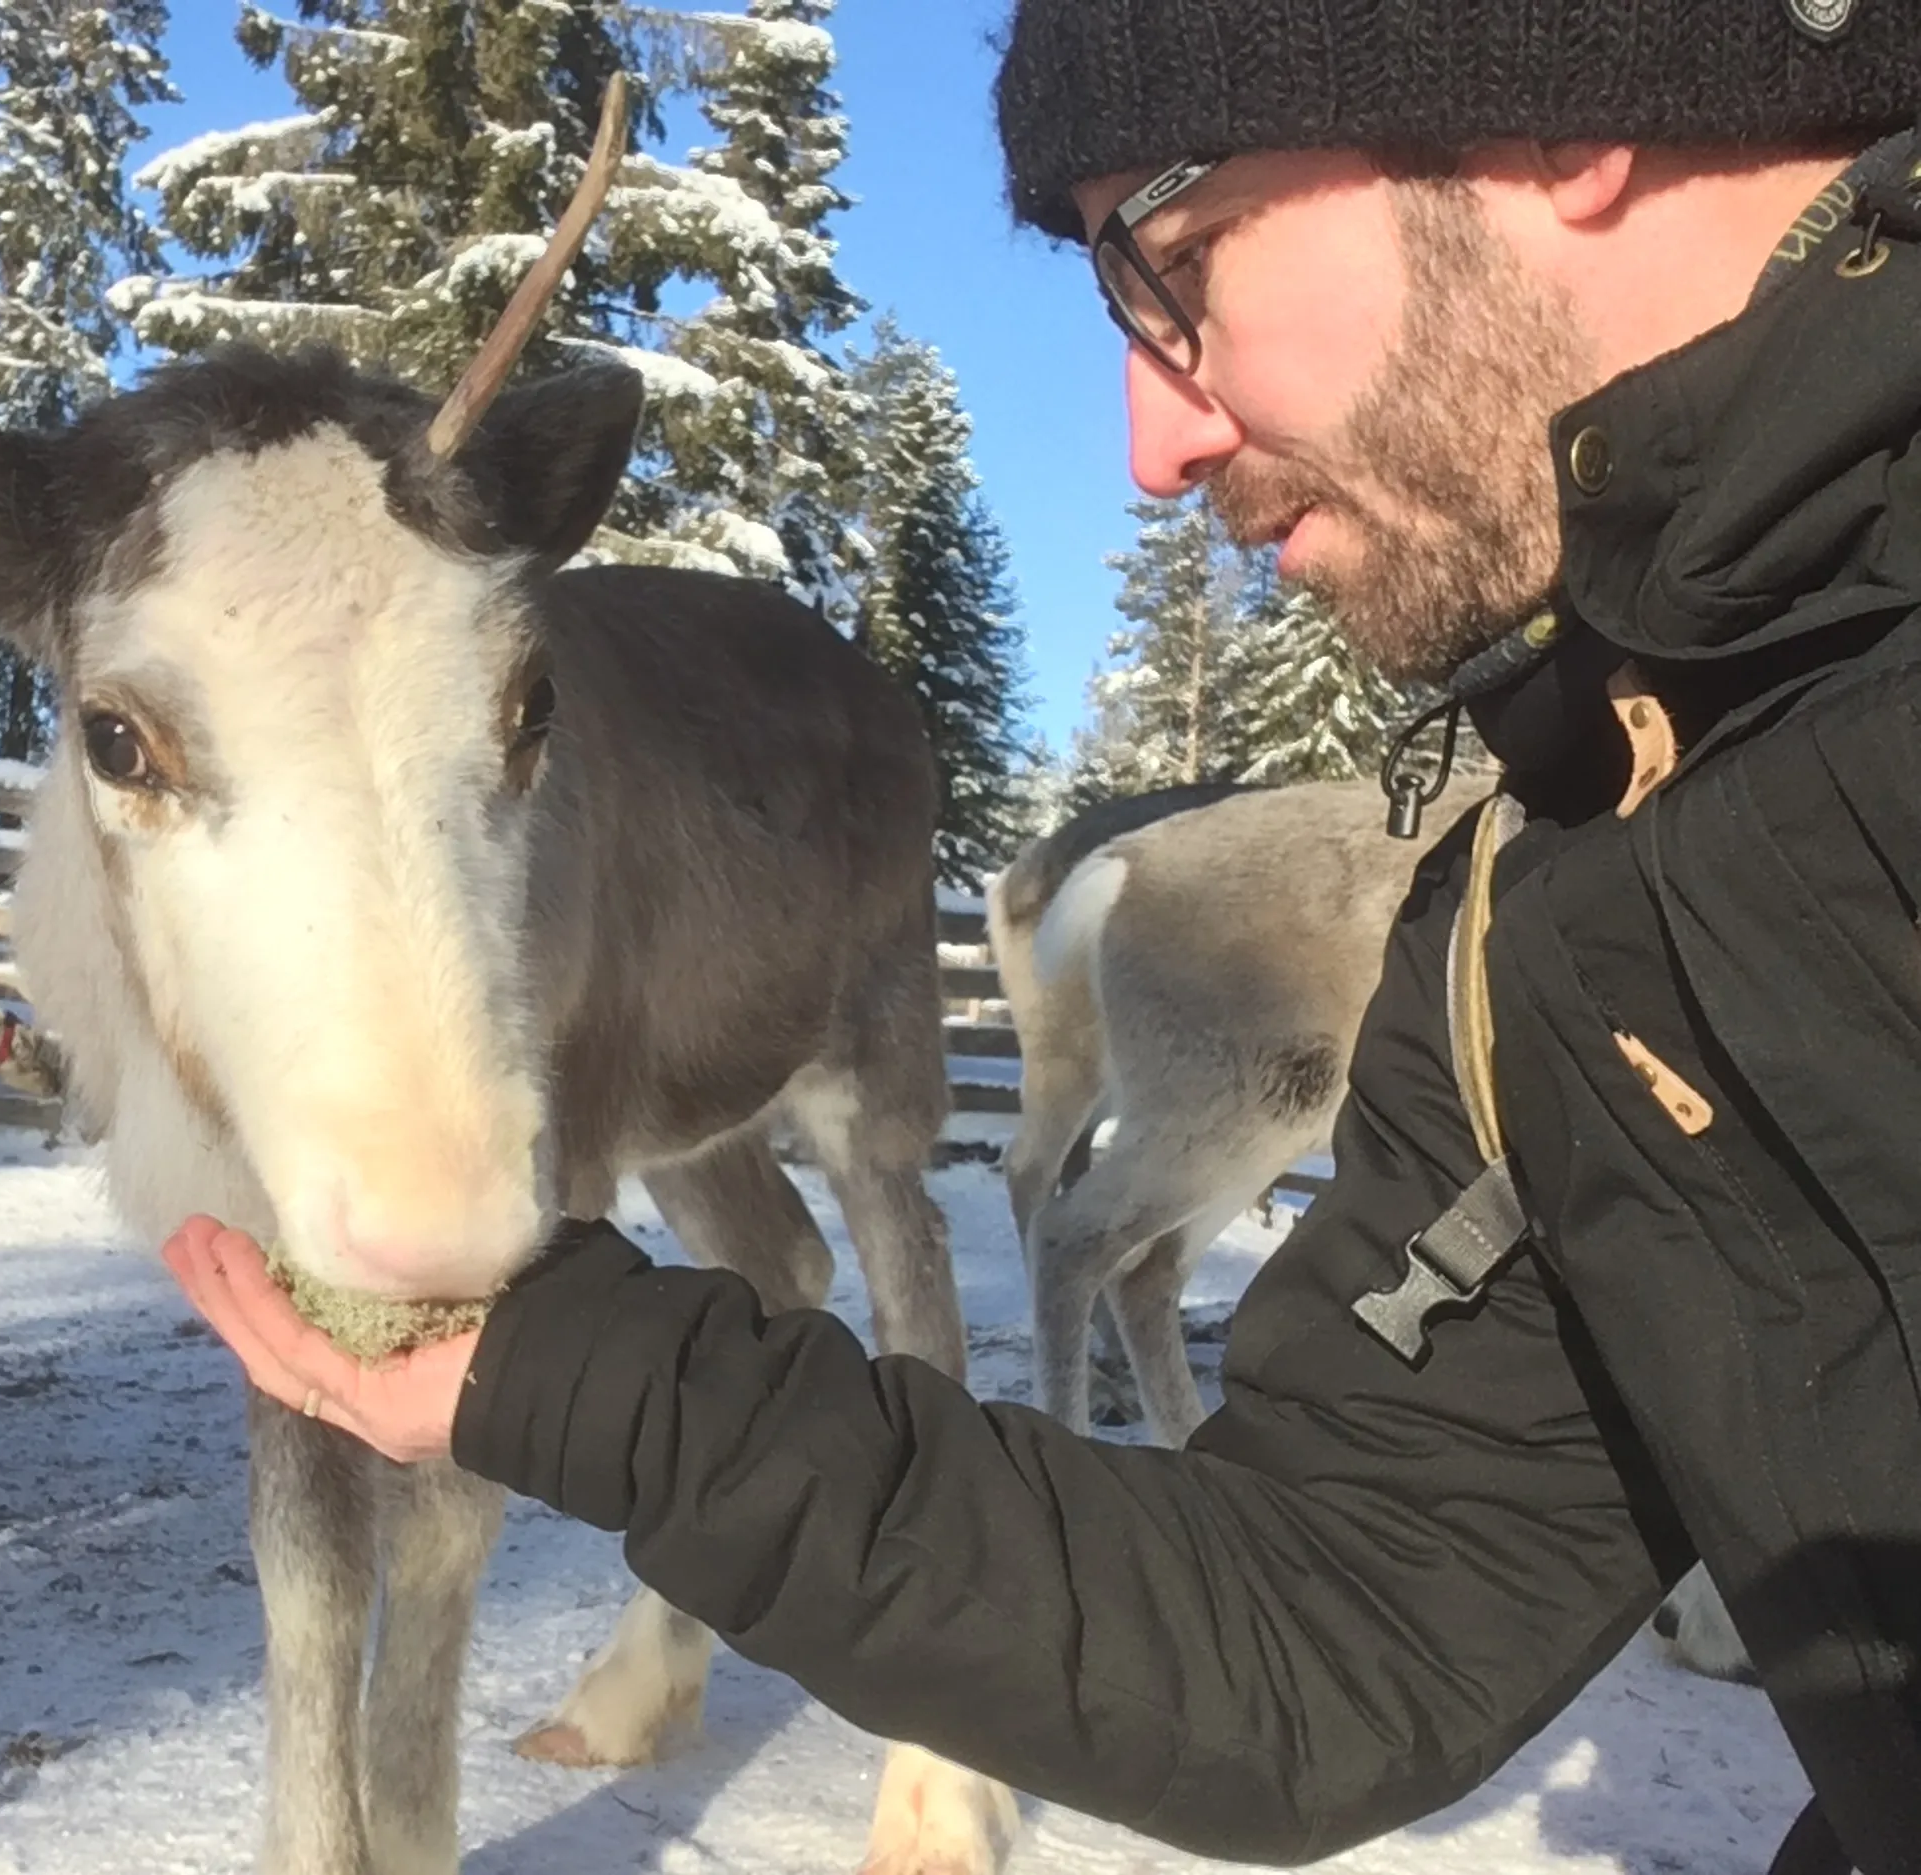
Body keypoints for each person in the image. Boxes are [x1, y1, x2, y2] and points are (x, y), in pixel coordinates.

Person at [160, 4, 1921, 1869]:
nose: (1155, 439)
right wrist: (574, 1377)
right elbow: (1318, 1622)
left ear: (1573, 88)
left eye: (1179, 261)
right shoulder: (1555, 905)